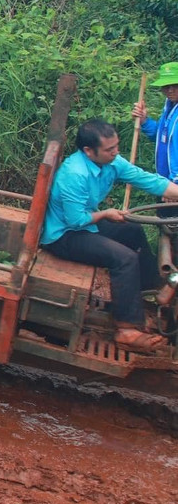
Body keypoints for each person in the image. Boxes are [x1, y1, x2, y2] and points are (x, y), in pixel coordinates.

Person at [42, 118, 178, 354]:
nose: (116, 152)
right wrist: (105, 213)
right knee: (124, 258)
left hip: (86, 224)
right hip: (64, 235)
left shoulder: (112, 162)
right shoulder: (74, 174)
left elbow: (149, 181)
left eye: (116, 146)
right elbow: (76, 221)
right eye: (109, 149)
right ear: (88, 151)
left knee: (133, 231)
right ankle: (126, 330)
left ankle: (150, 295)